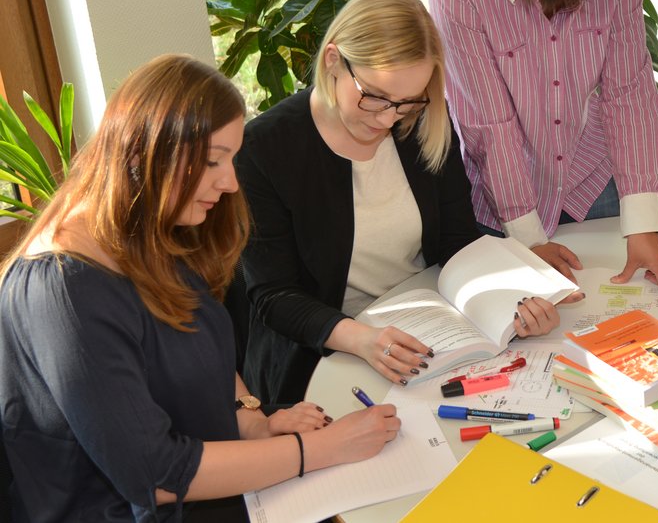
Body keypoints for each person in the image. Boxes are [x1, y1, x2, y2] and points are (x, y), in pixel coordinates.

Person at [0, 54, 398, 522]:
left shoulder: (150, 227)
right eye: (212, 161)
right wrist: (323, 449)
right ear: (141, 154)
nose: (229, 183)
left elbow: (202, 347)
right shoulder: (63, 291)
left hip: (208, 470)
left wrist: (251, 420)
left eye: (231, 158)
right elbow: (156, 475)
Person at [237, 0, 569, 406]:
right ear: (333, 61)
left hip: (429, 328)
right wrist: (363, 339)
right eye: (374, 97)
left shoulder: (422, 120)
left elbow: (456, 240)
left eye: (406, 103)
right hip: (321, 353)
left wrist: (509, 304)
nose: (387, 119)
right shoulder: (264, 149)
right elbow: (274, 295)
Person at [429, 0, 658, 304]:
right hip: (505, 198)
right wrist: (528, 239)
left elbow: (628, 89)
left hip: (592, 179)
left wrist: (643, 223)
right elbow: (489, 124)